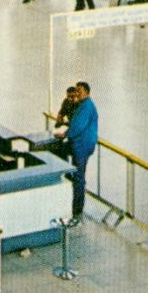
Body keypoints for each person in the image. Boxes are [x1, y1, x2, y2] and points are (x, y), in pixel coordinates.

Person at [55, 81, 98, 223]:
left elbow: (78, 125)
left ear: (86, 92)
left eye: (79, 91)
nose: (77, 93)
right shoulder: (82, 105)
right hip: (79, 143)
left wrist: (65, 134)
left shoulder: (86, 107)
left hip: (82, 145)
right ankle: (67, 181)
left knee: (79, 175)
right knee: (73, 168)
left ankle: (77, 208)